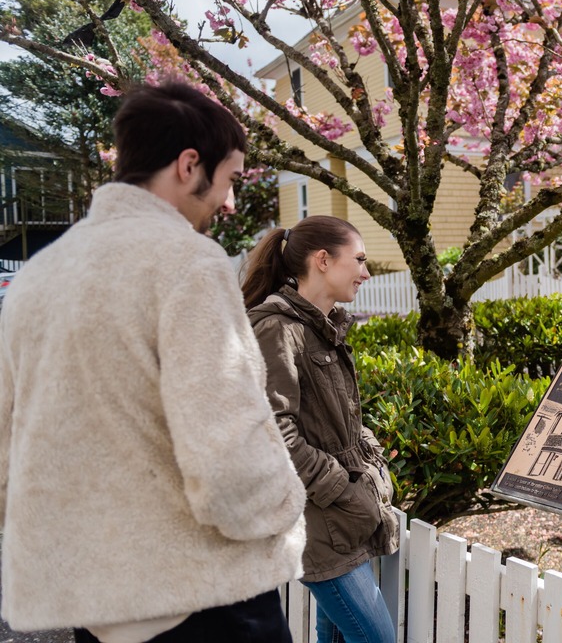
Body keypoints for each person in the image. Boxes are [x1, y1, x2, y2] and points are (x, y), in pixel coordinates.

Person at [0, 82, 306, 642]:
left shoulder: (37, 277)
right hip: (201, 593)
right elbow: (225, 455)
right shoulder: (187, 262)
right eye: (231, 179)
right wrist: (284, 507)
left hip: (96, 603)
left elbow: (6, 448)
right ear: (190, 165)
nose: (231, 202)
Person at [242, 215, 399, 643]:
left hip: (342, 520)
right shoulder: (277, 328)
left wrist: (370, 461)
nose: (366, 273)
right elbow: (274, 432)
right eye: (360, 260)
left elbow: (340, 423)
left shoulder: (322, 328)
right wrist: (341, 490)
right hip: (320, 521)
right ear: (324, 260)